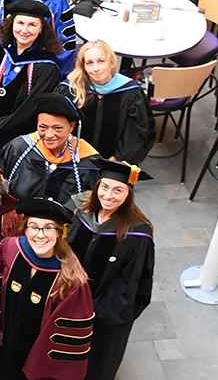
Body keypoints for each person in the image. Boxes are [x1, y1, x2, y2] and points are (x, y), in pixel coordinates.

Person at [0, 197, 94, 380]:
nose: (40, 234)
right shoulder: (9, 249)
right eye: (33, 226)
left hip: (38, 362)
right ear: (25, 229)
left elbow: (66, 340)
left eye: (48, 228)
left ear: (60, 232)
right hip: (3, 345)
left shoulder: (71, 280)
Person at [68, 159, 155, 380]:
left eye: (118, 190)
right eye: (104, 187)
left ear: (128, 194)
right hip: (70, 296)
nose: (109, 195)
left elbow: (132, 282)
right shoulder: (80, 212)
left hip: (106, 309)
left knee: (97, 359)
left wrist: (94, 308)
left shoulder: (137, 234)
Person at [0, 0, 63, 158]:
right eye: (20, 23)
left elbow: (31, 107)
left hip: (17, 139)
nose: (25, 30)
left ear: (41, 29)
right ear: (11, 24)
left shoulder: (47, 65)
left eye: (32, 25)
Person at [57, 40, 154, 164]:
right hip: (72, 160)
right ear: (83, 66)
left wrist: (113, 162)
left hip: (114, 163)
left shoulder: (130, 93)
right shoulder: (70, 90)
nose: (96, 68)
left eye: (101, 61)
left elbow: (136, 134)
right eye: (89, 63)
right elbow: (55, 127)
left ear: (112, 62)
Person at [0, 93, 101, 207]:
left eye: (57, 128)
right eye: (42, 127)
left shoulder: (89, 160)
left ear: (72, 126)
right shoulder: (18, 148)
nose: (49, 135)